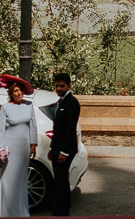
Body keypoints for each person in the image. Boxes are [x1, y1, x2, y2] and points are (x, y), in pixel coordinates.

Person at [0, 78, 37, 217]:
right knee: (8, 181)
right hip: (9, 150)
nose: (19, 93)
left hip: (23, 151)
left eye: (20, 90)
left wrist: (33, 145)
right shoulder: (5, 107)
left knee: (22, 182)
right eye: (16, 91)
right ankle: (6, 213)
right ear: (10, 93)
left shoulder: (29, 105)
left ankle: (22, 213)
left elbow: (33, 126)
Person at [48, 72, 81, 216]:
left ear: (68, 86)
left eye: (62, 86)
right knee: (59, 180)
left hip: (65, 149)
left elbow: (69, 129)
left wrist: (64, 152)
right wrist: (51, 148)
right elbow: (57, 129)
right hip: (57, 147)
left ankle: (62, 212)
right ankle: (59, 210)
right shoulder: (60, 102)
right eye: (57, 86)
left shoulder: (72, 102)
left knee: (62, 181)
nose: (59, 88)